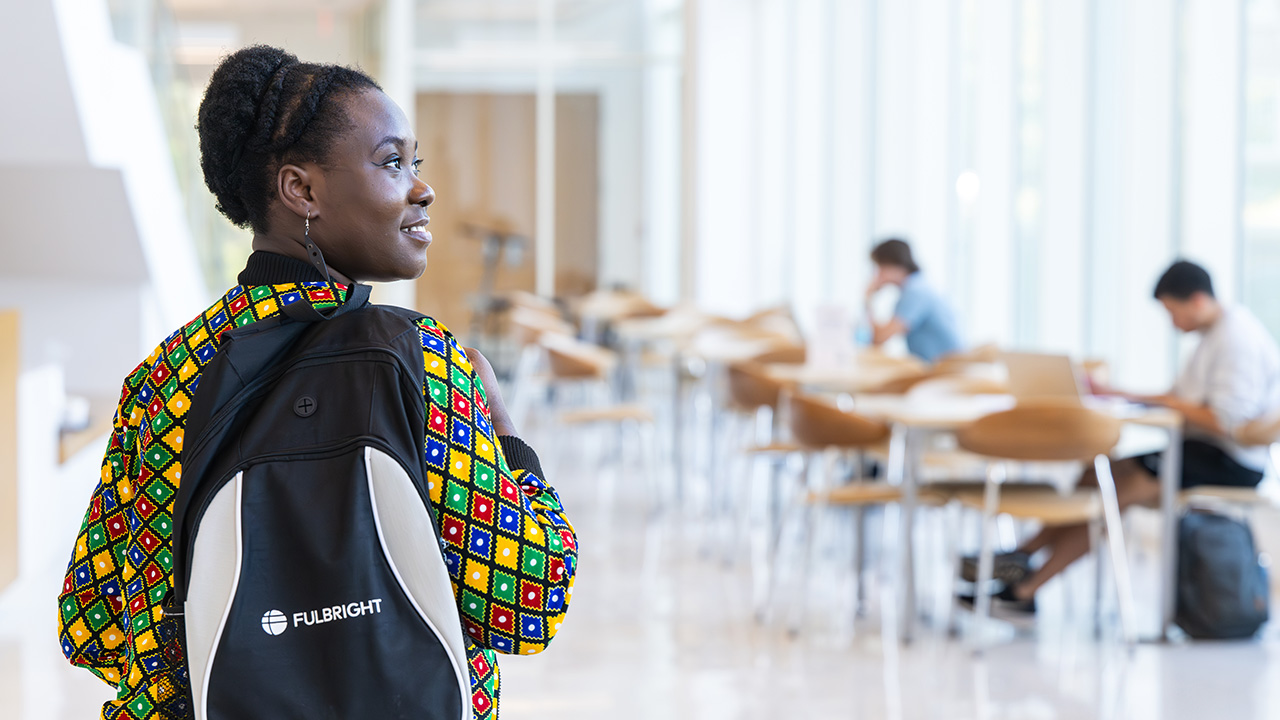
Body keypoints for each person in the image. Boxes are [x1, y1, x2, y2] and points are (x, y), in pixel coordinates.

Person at [56, 45, 576, 719]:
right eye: (392, 162)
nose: (423, 187)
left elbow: (90, 628)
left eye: (414, 164)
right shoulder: (416, 362)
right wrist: (507, 436)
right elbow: (528, 605)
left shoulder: (164, 378)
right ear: (301, 190)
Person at [968, 260, 1280, 614]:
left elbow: (1226, 419)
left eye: (1172, 312)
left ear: (1196, 300)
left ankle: (1026, 585)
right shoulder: (1213, 337)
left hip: (1230, 462)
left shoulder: (1235, 339)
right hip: (1198, 451)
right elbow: (1178, 399)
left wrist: (1158, 401)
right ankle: (1020, 557)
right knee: (1096, 475)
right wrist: (1116, 393)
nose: (1172, 323)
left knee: (1114, 495)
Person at [865, 238, 963, 362]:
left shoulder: (915, 292)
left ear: (893, 264)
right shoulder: (920, 284)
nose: (877, 274)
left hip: (944, 372)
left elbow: (878, 339)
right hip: (945, 368)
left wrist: (868, 299)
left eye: (880, 267)